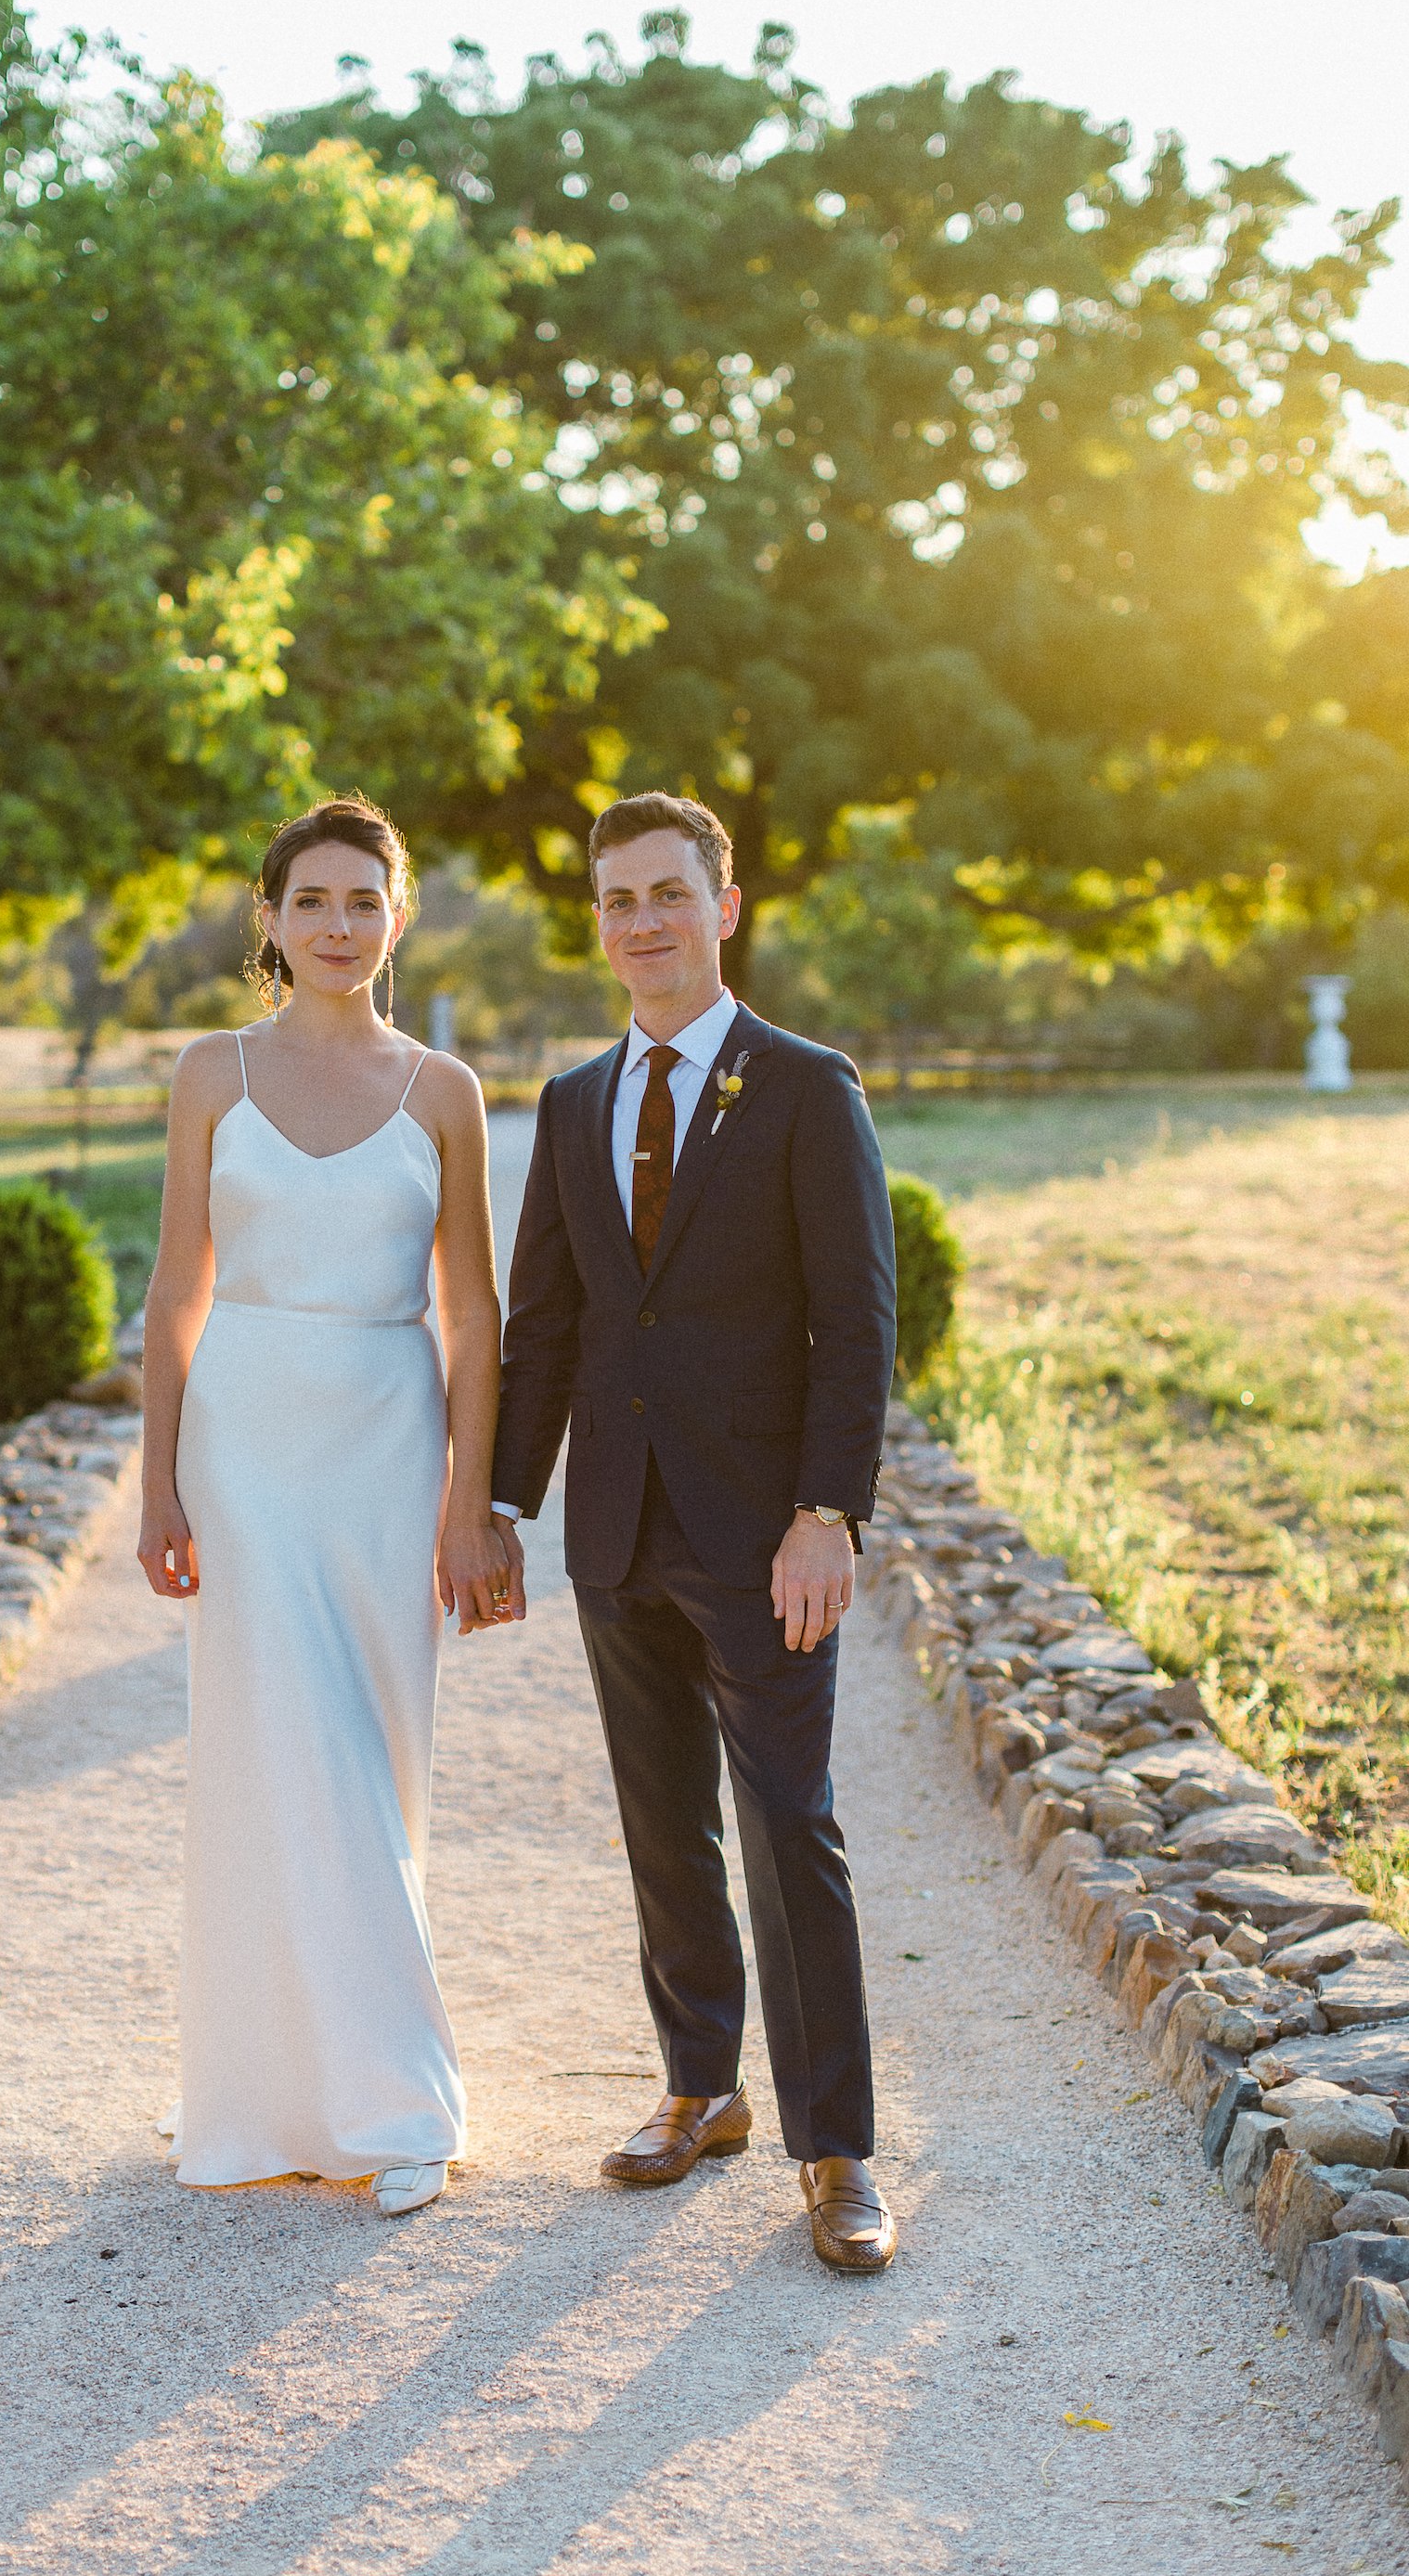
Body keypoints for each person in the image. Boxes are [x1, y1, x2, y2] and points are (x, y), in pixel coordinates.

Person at [489, 791, 900, 2273]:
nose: (642, 921)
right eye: (617, 901)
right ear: (597, 922)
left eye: (669, 892)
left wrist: (825, 1513)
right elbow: (548, 1328)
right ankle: (698, 2089)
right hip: (618, 1529)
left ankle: (839, 2152)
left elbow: (856, 1324)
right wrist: (500, 1502)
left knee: (794, 1826)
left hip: (765, 1535)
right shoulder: (573, 1103)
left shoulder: (805, 1087)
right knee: (664, 1824)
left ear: (724, 907)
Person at [136, 796, 520, 2220]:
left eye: (366, 901)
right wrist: (159, 1476)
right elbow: (178, 1290)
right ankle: (340, 2096)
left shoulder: (444, 1093)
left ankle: (355, 2081)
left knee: (372, 1761)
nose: (340, 927)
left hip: (384, 1445)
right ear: (273, 921)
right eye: (314, 902)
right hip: (243, 1445)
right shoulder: (209, 1075)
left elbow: (472, 1316)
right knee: (265, 1753)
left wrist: (468, 1501)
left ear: (399, 917)